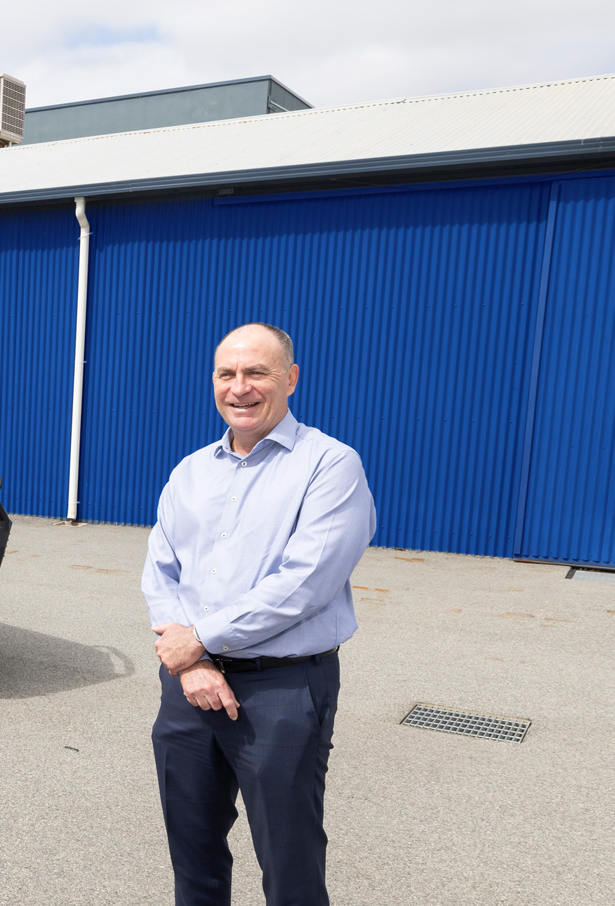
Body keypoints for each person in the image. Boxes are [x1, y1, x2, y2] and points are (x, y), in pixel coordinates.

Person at [142, 323, 377, 906]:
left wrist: (198, 640)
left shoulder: (330, 466)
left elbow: (305, 584)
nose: (239, 387)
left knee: (289, 863)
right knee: (192, 859)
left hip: (283, 691)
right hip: (188, 690)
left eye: (257, 373)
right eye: (227, 374)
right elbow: (160, 571)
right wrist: (190, 662)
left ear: (290, 379)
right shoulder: (191, 471)